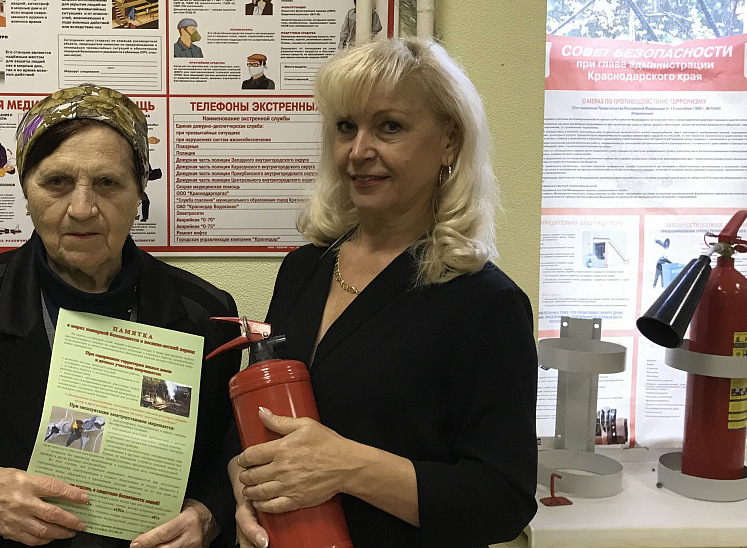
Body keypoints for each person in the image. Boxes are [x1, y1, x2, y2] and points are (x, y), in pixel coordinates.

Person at [0, 84, 241, 548]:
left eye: (108, 183)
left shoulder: (206, 320)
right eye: (57, 182)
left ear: (139, 193)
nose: (82, 209)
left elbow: (231, 457)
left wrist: (210, 514)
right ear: (26, 190)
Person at [228, 38, 537, 547]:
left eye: (390, 127)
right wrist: (245, 490)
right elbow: (265, 423)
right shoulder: (303, 269)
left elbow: (503, 500)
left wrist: (347, 467)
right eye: (346, 127)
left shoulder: (485, 303)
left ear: (449, 141)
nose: (359, 151)